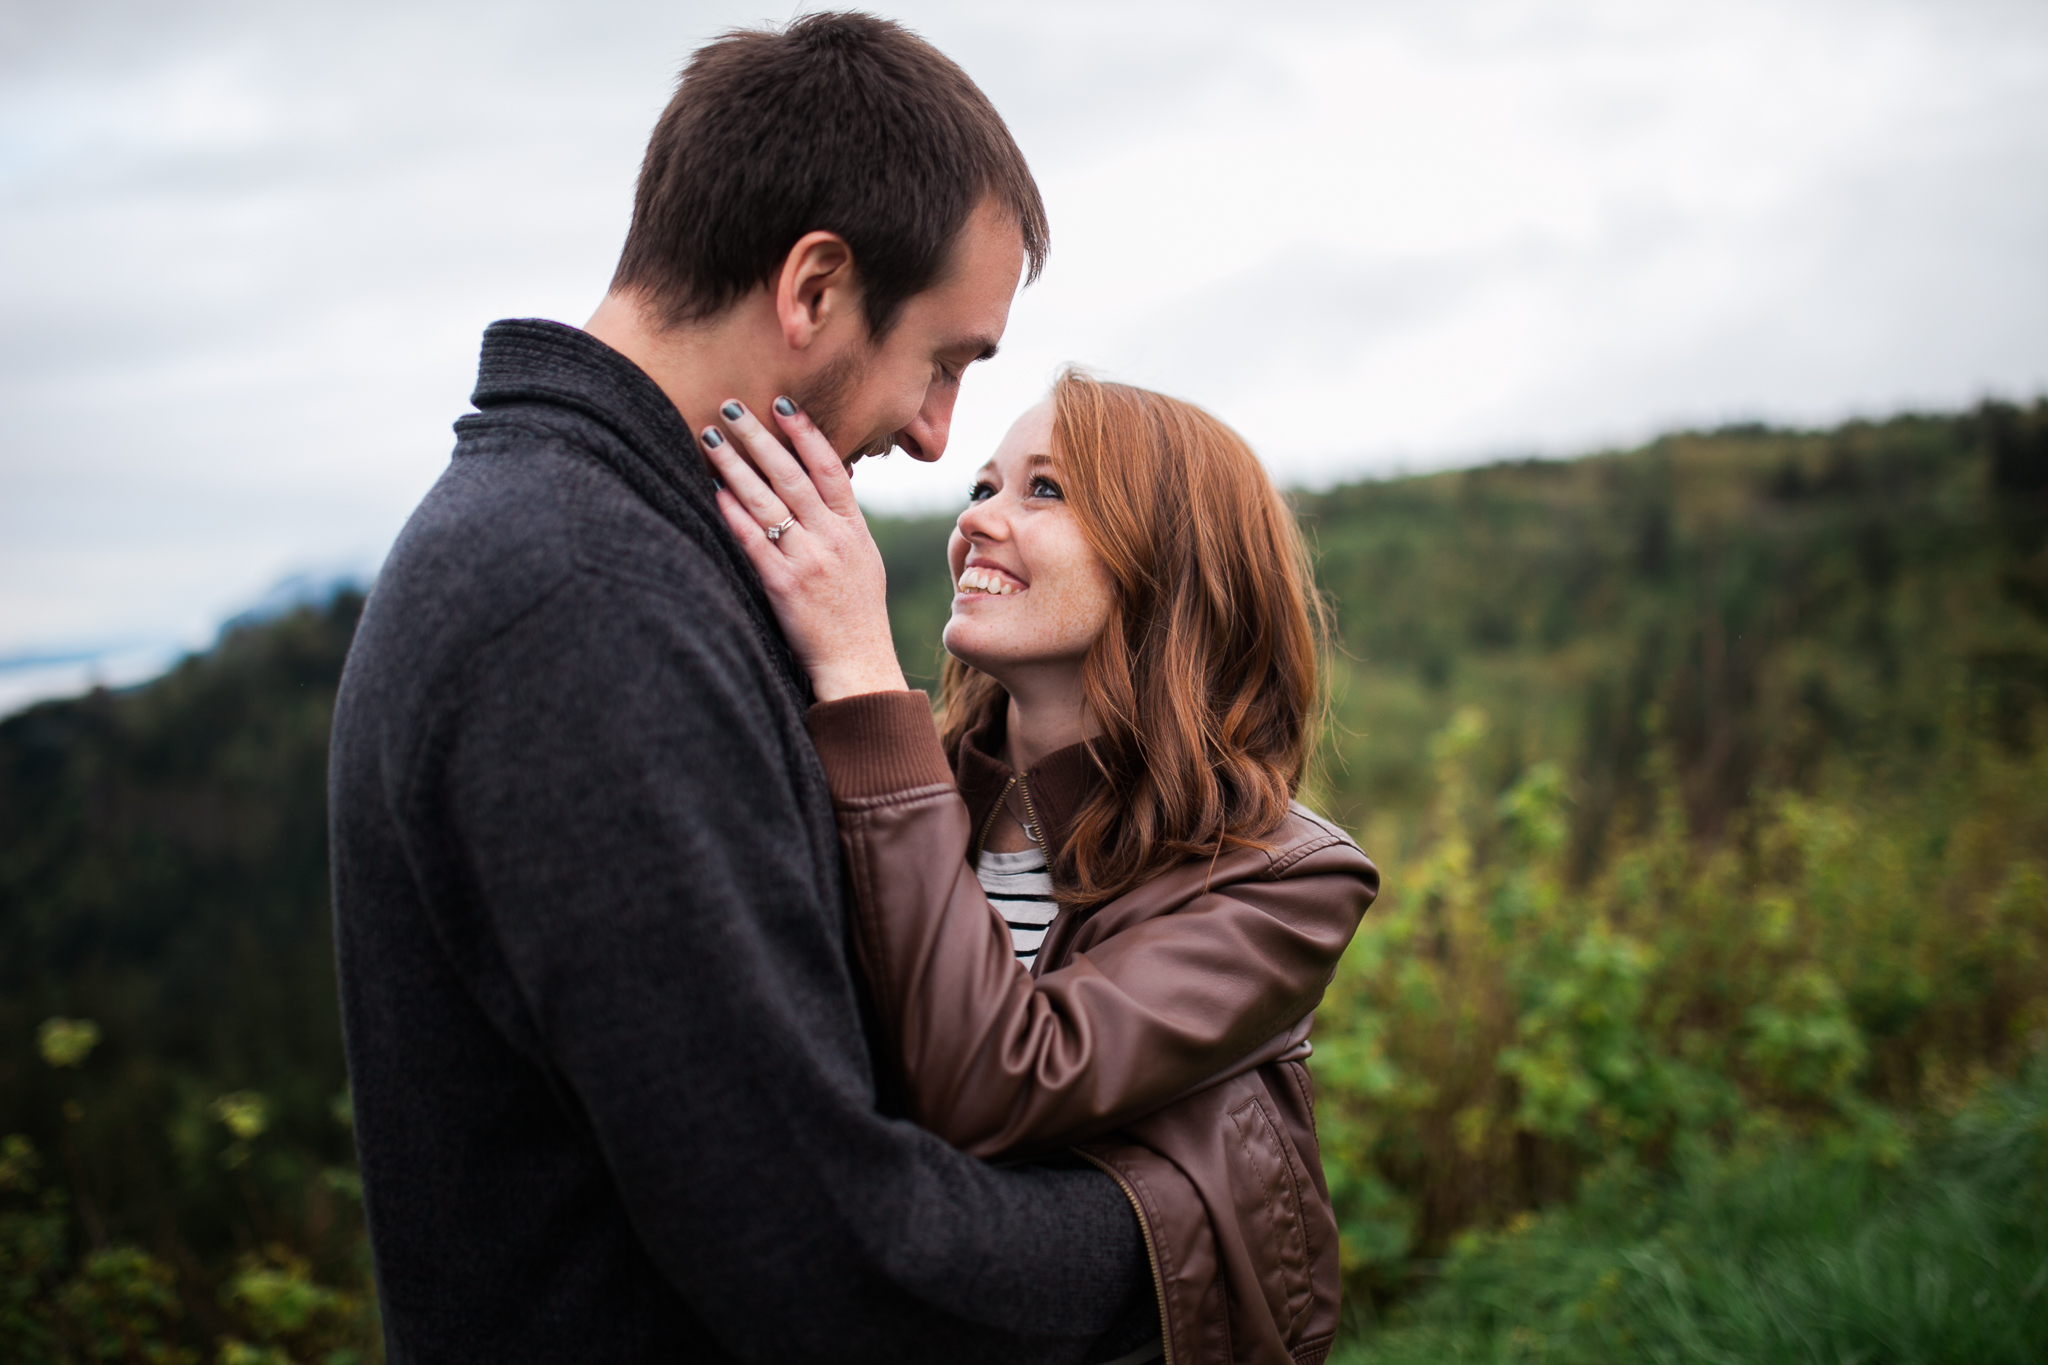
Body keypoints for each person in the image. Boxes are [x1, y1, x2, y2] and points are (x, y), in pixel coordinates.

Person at [328, 15, 1163, 1364]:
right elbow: (825, 1254)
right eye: (946, 359)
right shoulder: (579, 610)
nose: (938, 433)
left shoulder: (629, 555)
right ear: (815, 288)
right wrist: (1172, 1224)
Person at [698, 370, 1381, 1365]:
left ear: (1170, 561)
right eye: (981, 489)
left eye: (1044, 491)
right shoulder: (890, 779)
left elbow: (995, 1084)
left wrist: (857, 663)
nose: (977, 522)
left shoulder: (1286, 880)